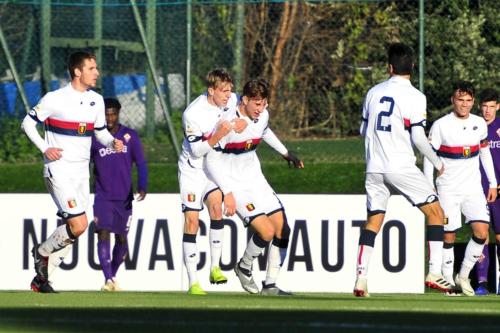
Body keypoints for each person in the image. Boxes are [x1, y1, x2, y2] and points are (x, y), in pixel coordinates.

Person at [21, 51, 124, 293]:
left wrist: (111, 142)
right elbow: (27, 123)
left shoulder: (96, 100)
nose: (97, 72)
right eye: (91, 68)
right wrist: (46, 148)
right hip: (58, 169)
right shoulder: (54, 98)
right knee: (78, 224)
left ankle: (41, 280)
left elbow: (99, 131)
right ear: (78, 72)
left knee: (76, 227)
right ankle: (41, 252)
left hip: (81, 172)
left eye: (96, 68)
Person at [354, 42, 451, 297]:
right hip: (400, 165)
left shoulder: (373, 92)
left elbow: (363, 130)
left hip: (373, 167)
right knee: (436, 212)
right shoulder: (416, 96)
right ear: (413, 66)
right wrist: (439, 163)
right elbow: (419, 138)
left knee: (374, 220)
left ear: (389, 67)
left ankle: (361, 278)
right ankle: (434, 272)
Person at [205, 79, 304, 296]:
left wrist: (286, 153)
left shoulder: (262, 116)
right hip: (235, 185)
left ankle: (270, 285)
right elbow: (210, 160)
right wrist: (227, 193)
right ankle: (244, 266)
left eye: (265, 103)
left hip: (256, 180)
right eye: (257, 104)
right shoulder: (228, 123)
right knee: (266, 231)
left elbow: (265, 131)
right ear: (246, 100)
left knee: (283, 229)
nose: (261, 109)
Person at [424, 81, 497, 296]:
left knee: (482, 233)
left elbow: (484, 153)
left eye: (468, 100)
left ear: (473, 102)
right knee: (449, 235)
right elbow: (429, 157)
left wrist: (492, 183)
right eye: (460, 100)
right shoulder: (440, 125)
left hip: (473, 188)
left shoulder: (479, 124)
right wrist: (430, 186)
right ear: (452, 100)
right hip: (447, 189)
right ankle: (447, 282)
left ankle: (463, 275)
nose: (464, 104)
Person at [178, 68, 248, 295]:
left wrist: (242, 122)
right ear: (211, 91)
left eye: (230, 90)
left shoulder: (232, 101)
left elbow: (243, 114)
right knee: (192, 222)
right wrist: (219, 133)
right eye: (224, 91)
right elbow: (197, 150)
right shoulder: (193, 113)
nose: (229, 95)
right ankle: (193, 282)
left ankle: (215, 267)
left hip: (212, 168)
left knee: (216, 208)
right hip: (192, 170)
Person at [91, 97, 148, 292]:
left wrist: (142, 185)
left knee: (122, 239)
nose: (110, 117)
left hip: (124, 197)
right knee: (102, 233)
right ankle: (107, 278)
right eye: (106, 114)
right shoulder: (95, 138)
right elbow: (84, 163)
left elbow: (140, 163)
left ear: (118, 113)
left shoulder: (130, 136)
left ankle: (112, 276)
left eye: (113, 113)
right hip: (103, 196)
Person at [473, 88, 500, 296]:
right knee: (481, 235)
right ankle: (481, 282)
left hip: (498, 192)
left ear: (498, 107)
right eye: (484, 106)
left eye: (492, 106)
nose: (488, 111)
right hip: (476, 191)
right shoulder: (473, 127)